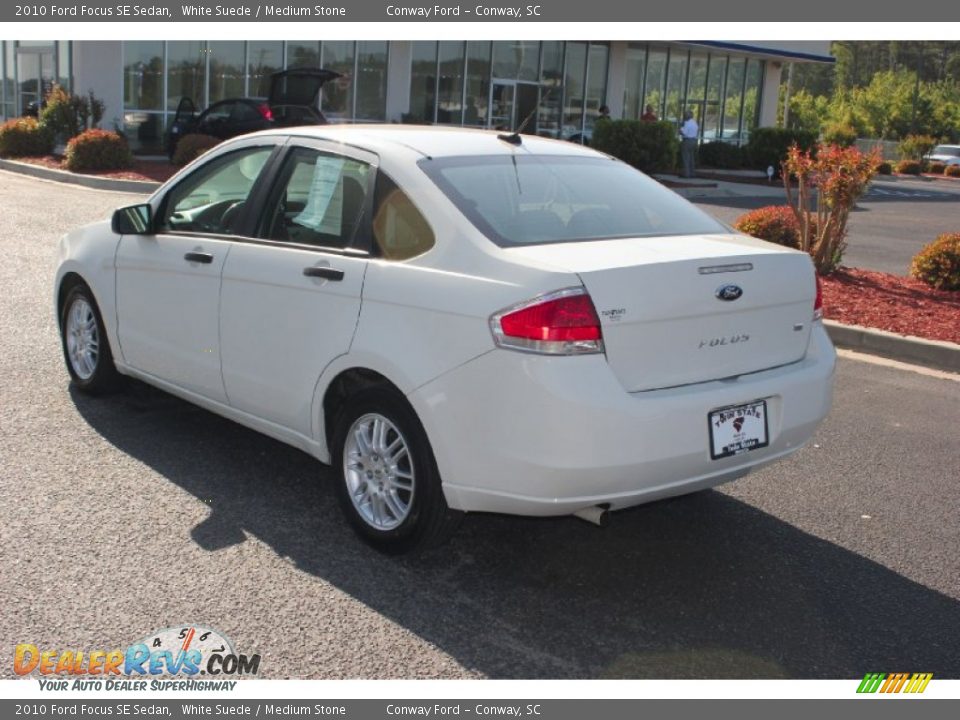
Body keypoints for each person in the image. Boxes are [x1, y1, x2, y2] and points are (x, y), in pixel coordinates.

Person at [679, 109, 699, 178]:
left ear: (688, 116)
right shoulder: (694, 122)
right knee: (691, 158)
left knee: (686, 158)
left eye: (685, 115)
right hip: (694, 140)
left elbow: (684, 133)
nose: (684, 116)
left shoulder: (687, 123)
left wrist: (680, 129)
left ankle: (686, 174)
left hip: (687, 140)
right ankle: (692, 173)